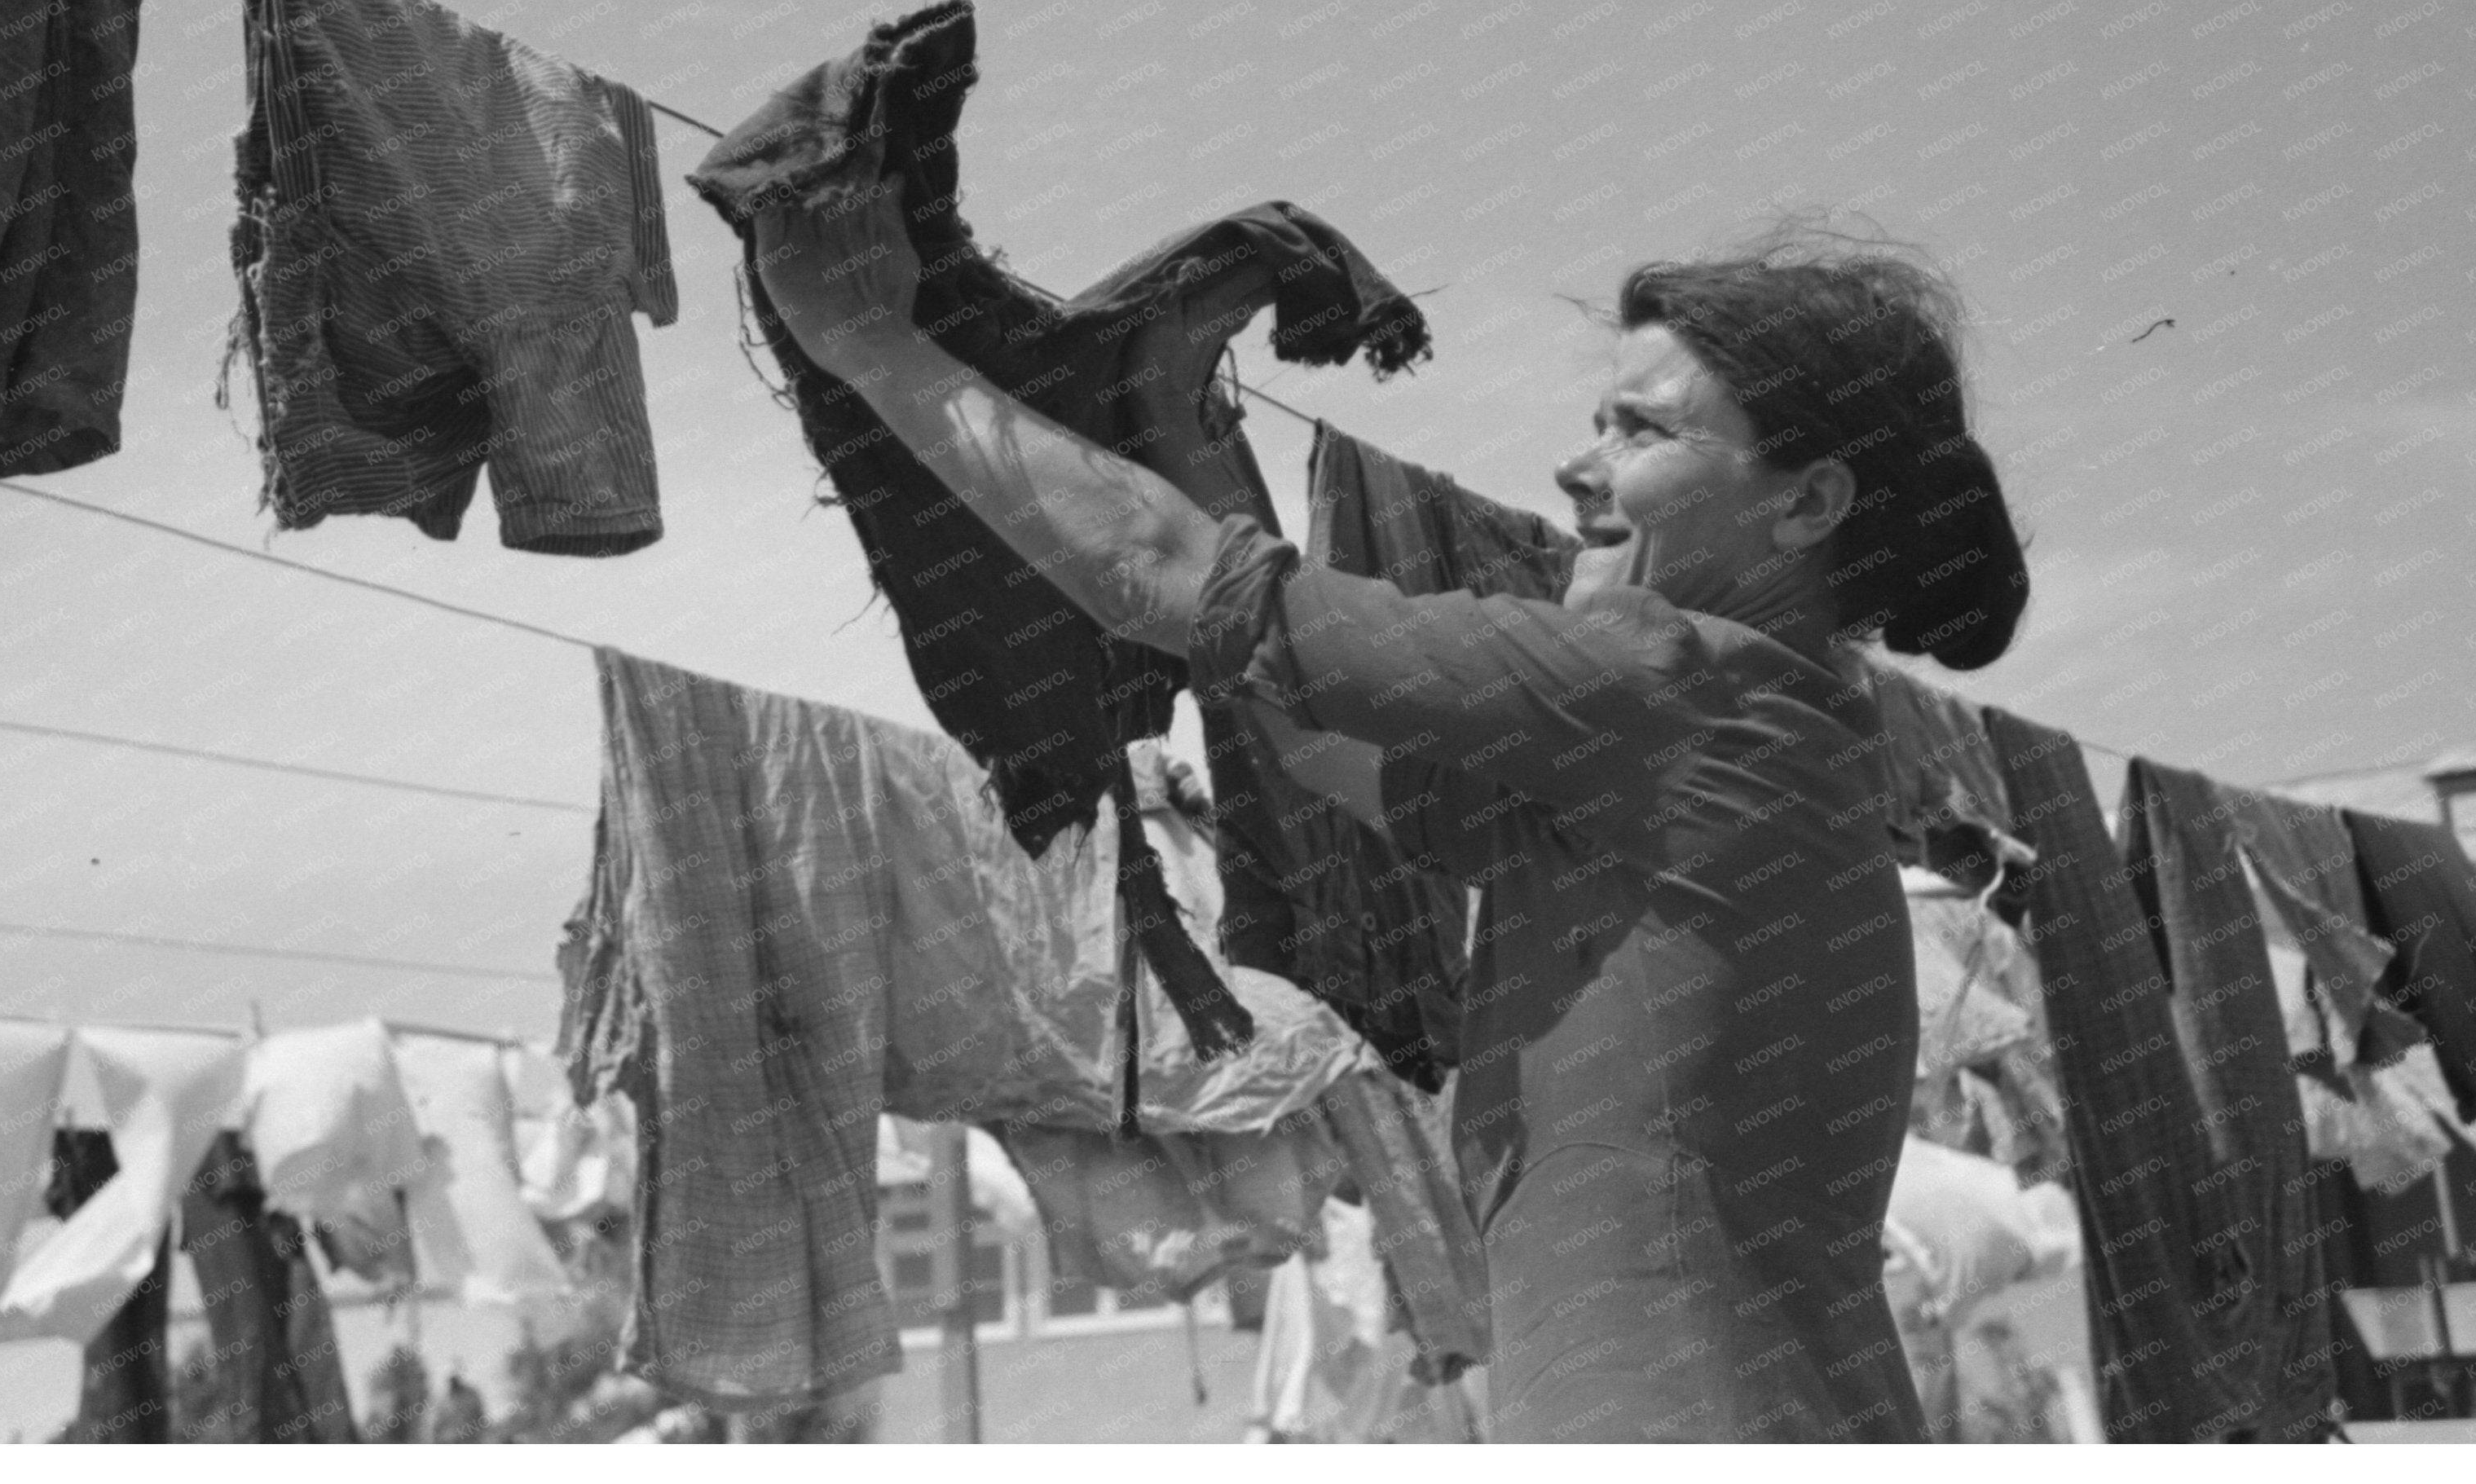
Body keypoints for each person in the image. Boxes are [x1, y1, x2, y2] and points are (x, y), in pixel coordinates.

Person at [756, 192, 2029, 1442]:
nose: (1574, 466)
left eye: (1639, 433)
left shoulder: (1678, 685)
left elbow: (1160, 570)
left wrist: (865, 339)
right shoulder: (1761, 754)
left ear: (1805, 506)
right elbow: (1312, 736)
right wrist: (1179, 407)